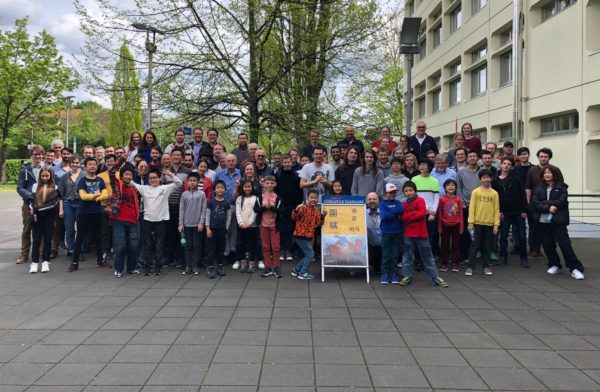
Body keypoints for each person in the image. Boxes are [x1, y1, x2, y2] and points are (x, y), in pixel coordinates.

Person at [531, 166, 584, 280]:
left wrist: (545, 203)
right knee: (548, 245)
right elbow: (535, 203)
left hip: (558, 221)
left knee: (565, 245)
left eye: (550, 173)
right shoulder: (539, 189)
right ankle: (554, 264)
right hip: (543, 221)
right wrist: (549, 207)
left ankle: (575, 268)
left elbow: (562, 202)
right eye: (545, 173)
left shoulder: (561, 187)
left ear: (555, 174)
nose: (547, 175)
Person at [134, 168, 183, 275]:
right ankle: (148, 267)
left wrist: (170, 174)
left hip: (161, 221)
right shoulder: (144, 188)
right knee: (148, 245)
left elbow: (179, 183)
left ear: (159, 178)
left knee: (159, 245)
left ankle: (158, 267)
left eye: (155, 178)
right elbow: (131, 183)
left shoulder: (165, 188)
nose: (152, 180)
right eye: (150, 178)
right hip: (147, 220)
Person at [399, 181, 448, 288]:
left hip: (421, 234)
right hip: (408, 234)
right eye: (406, 191)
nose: (408, 193)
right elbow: (403, 217)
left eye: (410, 190)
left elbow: (421, 214)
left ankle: (435, 277)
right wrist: (412, 215)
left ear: (415, 191)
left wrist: (409, 216)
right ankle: (407, 275)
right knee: (407, 256)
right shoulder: (404, 204)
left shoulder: (420, 200)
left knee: (428, 257)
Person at [68, 157, 111, 272]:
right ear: (85, 167)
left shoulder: (100, 180)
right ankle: (74, 262)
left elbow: (105, 195)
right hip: (83, 212)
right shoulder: (82, 181)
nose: (93, 166)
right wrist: (97, 195)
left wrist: (92, 196)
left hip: (97, 212)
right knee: (80, 237)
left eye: (94, 164)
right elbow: (83, 196)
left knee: (98, 237)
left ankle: (100, 261)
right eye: (90, 164)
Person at [525, 147, 564, 260]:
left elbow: (561, 186)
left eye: (545, 157)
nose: (543, 158)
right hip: (536, 204)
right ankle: (534, 250)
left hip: (551, 205)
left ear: (549, 158)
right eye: (541, 156)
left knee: (549, 229)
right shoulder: (532, 170)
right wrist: (528, 202)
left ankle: (550, 251)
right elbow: (528, 186)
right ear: (538, 157)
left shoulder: (555, 170)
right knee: (534, 228)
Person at [492, 157, 528, 268]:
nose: (506, 165)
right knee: (503, 237)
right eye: (504, 163)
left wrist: (524, 210)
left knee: (521, 236)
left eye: (508, 164)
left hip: (518, 212)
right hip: (504, 213)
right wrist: (497, 211)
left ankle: (524, 258)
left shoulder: (516, 179)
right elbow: (494, 198)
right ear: (501, 165)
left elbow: (522, 195)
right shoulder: (495, 180)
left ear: (511, 166)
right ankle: (503, 258)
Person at [465, 169, 500, 277]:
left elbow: (496, 210)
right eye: (484, 177)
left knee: (487, 246)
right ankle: (470, 267)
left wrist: (496, 224)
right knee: (474, 245)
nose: (486, 179)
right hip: (477, 223)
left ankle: (486, 266)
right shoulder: (476, 191)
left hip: (489, 224)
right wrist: (470, 222)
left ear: (491, 178)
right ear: (480, 179)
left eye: (488, 177)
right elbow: (472, 208)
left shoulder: (494, 193)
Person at [108, 162, 141, 278]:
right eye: (126, 174)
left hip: (133, 219)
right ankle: (118, 268)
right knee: (120, 245)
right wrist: (122, 160)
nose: (129, 177)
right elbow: (112, 172)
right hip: (119, 219)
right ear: (121, 176)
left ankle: (132, 268)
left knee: (133, 245)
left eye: (130, 175)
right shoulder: (117, 185)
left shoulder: (134, 188)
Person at [163, 148, 191, 269]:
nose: (176, 157)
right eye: (173, 155)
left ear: (182, 157)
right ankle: (169, 257)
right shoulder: (165, 171)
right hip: (168, 206)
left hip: (182, 207)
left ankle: (181, 258)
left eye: (178, 155)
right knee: (169, 233)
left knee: (181, 234)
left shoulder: (187, 171)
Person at [16, 145, 45, 264]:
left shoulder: (47, 168)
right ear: (31, 155)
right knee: (27, 230)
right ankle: (24, 255)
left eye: (39, 154)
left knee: (42, 230)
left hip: (43, 204)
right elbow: (19, 187)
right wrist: (30, 196)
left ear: (42, 155)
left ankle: (39, 254)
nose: (37, 156)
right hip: (28, 204)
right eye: (35, 154)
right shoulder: (25, 170)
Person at [28, 168, 59, 273]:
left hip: (49, 216)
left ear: (51, 176)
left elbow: (53, 204)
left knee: (47, 240)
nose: (45, 178)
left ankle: (46, 262)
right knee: (36, 240)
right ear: (40, 176)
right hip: (37, 218)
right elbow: (31, 200)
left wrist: (37, 209)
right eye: (43, 176)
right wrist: (32, 208)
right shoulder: (35, 186)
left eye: (47, 176)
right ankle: (34, 263)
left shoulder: (55, 187)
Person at [290, 189, 326, 280]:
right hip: (300, 235)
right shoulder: (303, 208)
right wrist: (297, 209)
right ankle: (302, 273)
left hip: (308, 236)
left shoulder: (316, 211)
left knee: (308, 254)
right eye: (311, 197)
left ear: (318, 199)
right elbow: (294, 217)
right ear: (307, 198)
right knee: (310, 254)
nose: (313, 199)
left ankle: (296, 270)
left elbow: (318, 224)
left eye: (315, 198)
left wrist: (323, 216)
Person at [178, 172, 207, 275]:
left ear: (198, 182)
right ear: (187, 182)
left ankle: (195, 265)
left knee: (196, 245)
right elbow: (181, 209)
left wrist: (201, 223)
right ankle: (188, 265)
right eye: (190, 180)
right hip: (186, 224)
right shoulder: (184, 194)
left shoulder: (201, 194)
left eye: (194, 180)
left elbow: (204, 209)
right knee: (187, 245)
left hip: (197, 225)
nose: (192, 182)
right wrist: (180, 224)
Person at [276, 154, 303, 261]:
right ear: (282, 163)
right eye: (285, 162)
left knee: (291, 227)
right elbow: (276, 190)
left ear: (292, 162)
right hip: (281, 206)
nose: (287, 164)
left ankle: (289, 249)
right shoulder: (278, 174)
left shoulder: (296, 175)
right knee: (282, 228)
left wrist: (298, 205)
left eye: (288, 162)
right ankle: (282, 249)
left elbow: (299, 191)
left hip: (292, 205)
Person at [412, 159, 440, 256]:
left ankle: (428, 258)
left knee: (429, 237)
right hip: (418, 213)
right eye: (420, 164)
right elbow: (414, 197)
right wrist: (426, 208)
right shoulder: (414, 179)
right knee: (417, 236)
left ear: (429, 167)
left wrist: (433, 213)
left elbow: (436, 198)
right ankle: (418, 259)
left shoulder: (434, 180)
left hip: (430, 214)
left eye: (424, 164)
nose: (422, 167)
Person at [457, 150, 481, 261]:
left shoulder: (482, 171)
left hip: (479, 206)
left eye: (474, 156)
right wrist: (462, 201)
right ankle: (464, 254)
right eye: (470, 156)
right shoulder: (461, 172)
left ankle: (476, 254)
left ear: (477, 158)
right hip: (465, 205)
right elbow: (458, 188)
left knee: (478, 231)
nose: (472, 158)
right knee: (466, 231)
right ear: (467, 158)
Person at [257, 175, 283, 277]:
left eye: (272, 183)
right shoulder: (260, 197)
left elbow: (281, 210)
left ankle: (276, 267)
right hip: (263, 225)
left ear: (275, 184)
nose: (269, 185)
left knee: (276, 247)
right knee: (265, 247)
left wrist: (272, 207)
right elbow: (256, 209)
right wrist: (264, 207)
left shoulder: (278, 197)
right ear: (263, 184)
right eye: (267, 183)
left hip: (274, 226)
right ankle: (267, 267)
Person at [58, 156, 84, 257]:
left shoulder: (84, 176)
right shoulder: (64, 177)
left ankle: (79, 249)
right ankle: (71, 248)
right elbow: (60, 195)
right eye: (73, 163)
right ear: (70, 164)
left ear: (80, 164)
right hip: (68, 204)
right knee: (69, 228)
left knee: (81, 228)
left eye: (77, 163)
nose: (75, 165)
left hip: (81, 203)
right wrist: (61, 209)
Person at [379, 183, 404, 284]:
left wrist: (390, 212)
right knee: (385, 255)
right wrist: (394, 213)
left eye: (394, 192)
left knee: (394, 255)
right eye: (390, 192)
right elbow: (384, 216)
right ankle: (384, 274)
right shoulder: (382, 203)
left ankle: (393, 274)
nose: (392, 194)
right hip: (386, 232)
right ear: (385, 194)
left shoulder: (398, 202)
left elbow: (401, 209)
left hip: (397, 232)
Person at [206, 180, 231, 278]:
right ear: (214, 190)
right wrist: (207, 228)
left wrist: (227, 227)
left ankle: (220, 267)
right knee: (211, 250)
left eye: (222, 188)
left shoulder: (226, 203)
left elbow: (229, 216)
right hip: (212, 229)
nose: (220, 189)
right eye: (218, 187)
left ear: (225, 189)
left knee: (221, 250)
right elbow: (207, 215)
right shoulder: (211, 202)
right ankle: (210, 268)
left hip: (222, 229)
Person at [438, 179, 463, 272]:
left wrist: (461, 227)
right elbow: (440, 214)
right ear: (445, 187)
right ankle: (444, 263)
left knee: (456, 245)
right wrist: (439, 226)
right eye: (448, 185)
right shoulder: (442, 199)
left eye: (453, 185)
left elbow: (460, 214)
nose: (451, 187)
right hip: (445, 225)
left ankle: (455, 263)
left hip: (456, 224)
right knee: (444, 245)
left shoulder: (458, 199)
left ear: (456, 187)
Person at [236, 179, 259, 273]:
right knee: (241, 244)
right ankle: (243, 263)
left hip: (252, 226)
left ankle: (252, 264)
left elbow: (255, 212)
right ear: (242, 187)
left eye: (249, 186)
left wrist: (249, 223)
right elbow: (238, 212)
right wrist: (241, 223)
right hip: (241, 226)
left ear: (252, 187)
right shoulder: (239, 198)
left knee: (252, 244)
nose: (247, 188)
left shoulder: (256, 198)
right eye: (245, 186)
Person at [366, 192, 382, 274]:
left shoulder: (384, 212)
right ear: (366, 201)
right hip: (370, 246)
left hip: (384, 246)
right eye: (370, 199)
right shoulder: (362, 214)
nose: (372, 201)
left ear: (378, 201)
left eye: (374, 199)